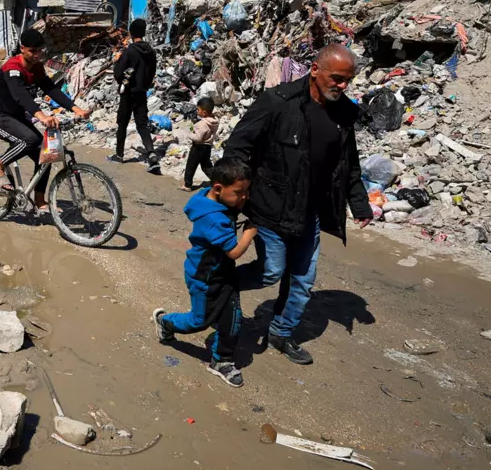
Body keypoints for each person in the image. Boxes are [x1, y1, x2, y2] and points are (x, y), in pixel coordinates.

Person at [223, 44, 374, 366]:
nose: (342, 86)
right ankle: (223, 283)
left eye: (348, 80)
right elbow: (237, 147)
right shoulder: (278, 103)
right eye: (336, 78)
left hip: (311, 212)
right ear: (315, 70)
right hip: (271, 207)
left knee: (302, 280)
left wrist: (359, 202)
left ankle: (281, 331)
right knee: (271, 272)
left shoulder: (344, 112)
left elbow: (349, 163)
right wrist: (233, 197)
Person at [152, 158, 258, 388]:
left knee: (233, 319)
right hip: (205, 278)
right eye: (240, 192)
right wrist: (249, 232)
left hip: (223, 275)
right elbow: (234, 252)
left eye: (247, 191)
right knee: (200, 321)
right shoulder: (213, 219)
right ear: (218, 189)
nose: (244, 197)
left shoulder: (210, 197)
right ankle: (166, 322)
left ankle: (222, 361)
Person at [0, 28, 90, 211]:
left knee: (46, 155)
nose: (36, 55)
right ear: (22, 48)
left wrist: (76, 109)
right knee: (30, 139)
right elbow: (20, 96)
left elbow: (51, 89)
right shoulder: (12, 68)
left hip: (16, 117)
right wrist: (41, 116)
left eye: (39, 50)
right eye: (32, 51)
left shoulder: (37, 67)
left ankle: (40, 201)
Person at [107, 18, 159, 173]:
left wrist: (123, 79)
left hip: (128, 93)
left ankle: (119, 154)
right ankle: (152, 156)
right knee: (142, 124)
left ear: (131, 33)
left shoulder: (130, 51)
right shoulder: (151, 52)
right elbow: (152, 73)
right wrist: (144, 84)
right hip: (142, 92)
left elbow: (118, 72)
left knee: (122, 122)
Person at [182, 98, 219, 191]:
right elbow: (200, 133)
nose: (197, 111)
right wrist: (192, 128)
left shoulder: (202, 124)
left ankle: (187, 184)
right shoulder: (214, 122)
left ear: (204, 112)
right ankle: (217, 180)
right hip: (207, 147)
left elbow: (198, 138)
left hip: (198, 147)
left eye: (198, 109)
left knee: (191, 165)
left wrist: (189, 135)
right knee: (207, 166)